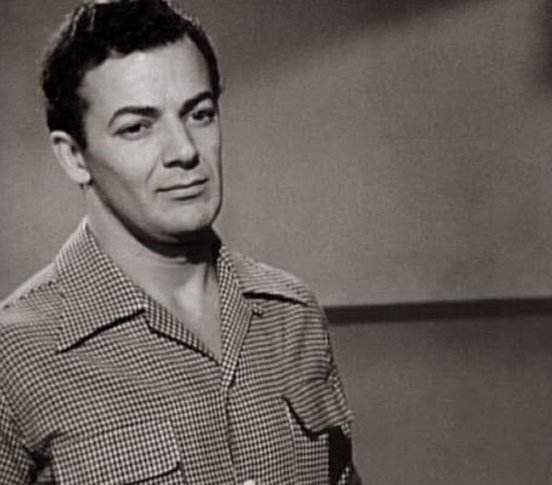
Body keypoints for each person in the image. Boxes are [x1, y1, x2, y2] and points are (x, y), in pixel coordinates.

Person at [0, 1, 358, 483]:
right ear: (74, 157)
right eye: (136, 127)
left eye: (199, 114)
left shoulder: (292, 314)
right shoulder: (15, 355)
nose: (185, 151)